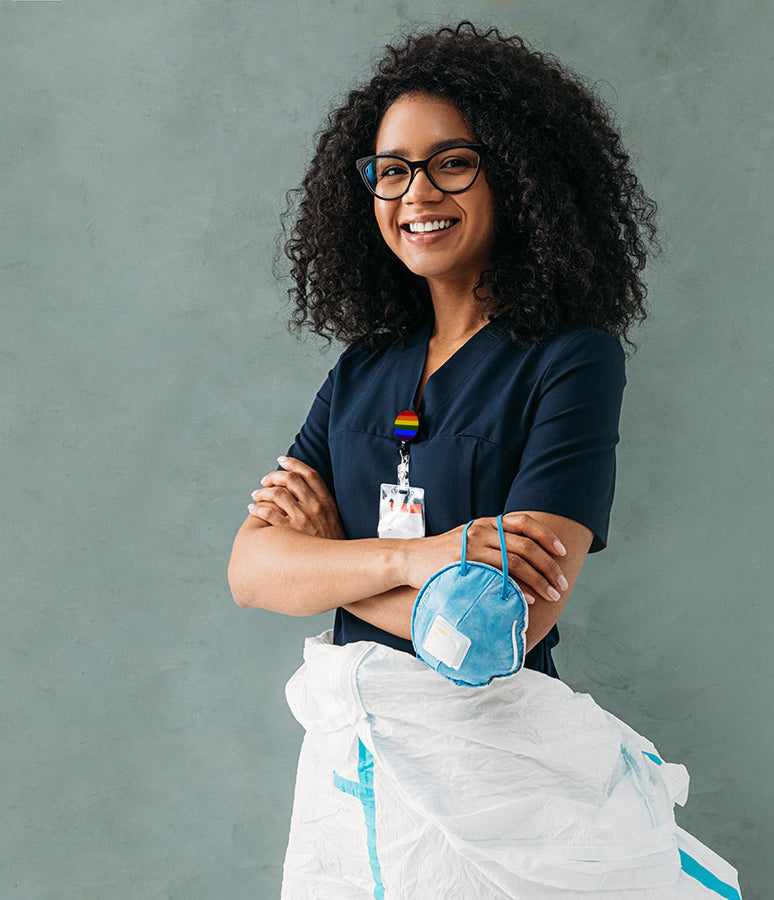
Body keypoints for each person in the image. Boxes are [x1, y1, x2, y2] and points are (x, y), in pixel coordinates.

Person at [228, 22, 742, 899]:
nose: (416, 193)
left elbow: (499, 636)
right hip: (354, 773)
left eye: (452, 163)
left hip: (502, 784)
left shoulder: (571, 361)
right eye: (392, 170)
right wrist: (421, 561)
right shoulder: (362, 369)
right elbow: (249, 571)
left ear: (518, 174)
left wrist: (327, 564)